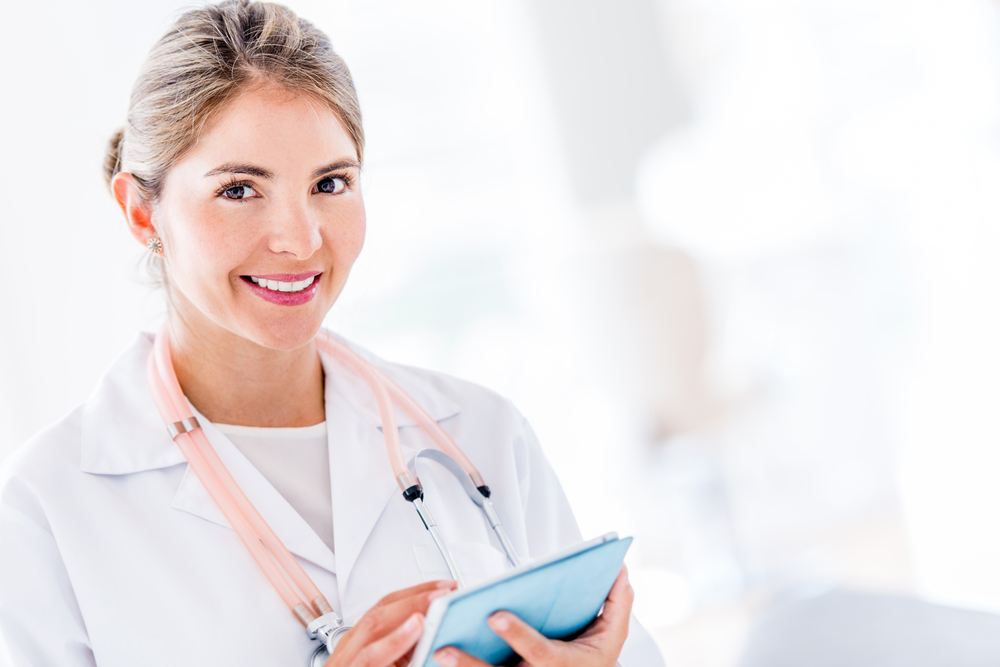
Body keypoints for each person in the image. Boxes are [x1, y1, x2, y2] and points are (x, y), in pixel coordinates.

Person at [0, 1, 664, 666]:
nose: (300, 238)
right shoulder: (49, 506)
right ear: (141, 210)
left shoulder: (478, 435)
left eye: (330, 182)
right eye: (239, 189)